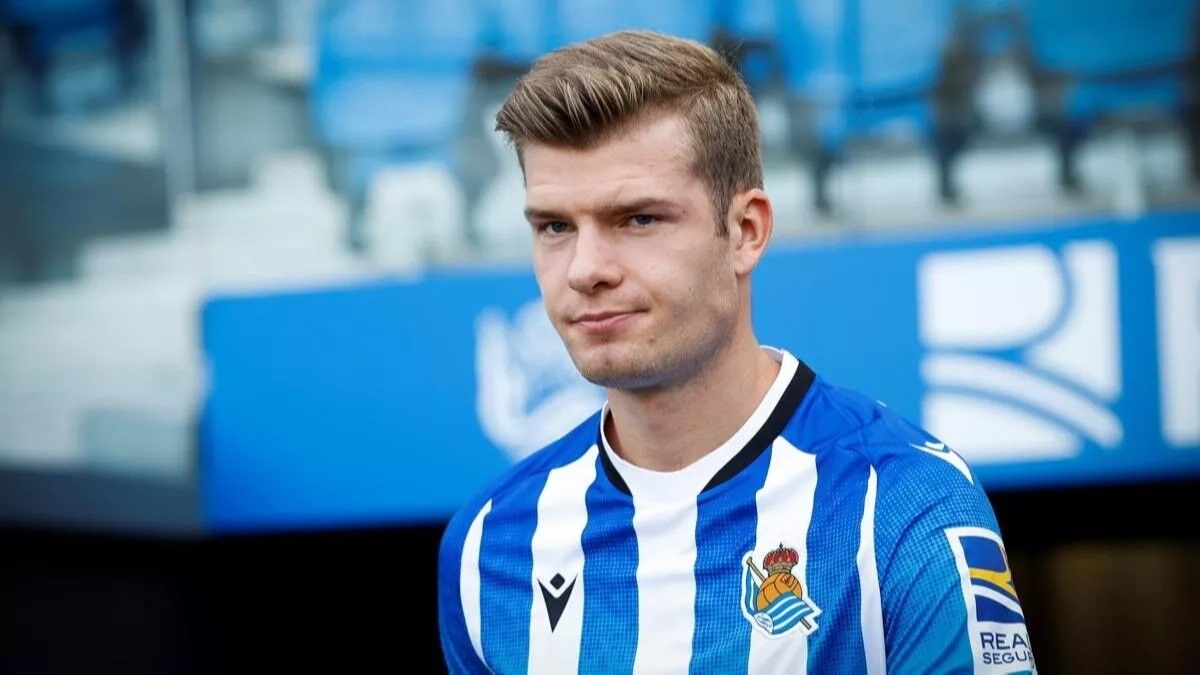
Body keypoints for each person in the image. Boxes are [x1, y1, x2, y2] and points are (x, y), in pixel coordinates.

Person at [438, 30, 1035, 674]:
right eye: (555, 226)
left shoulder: (901, 506)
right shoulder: (490, 545)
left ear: (746, 231)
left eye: (638, 219)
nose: (585, 269)